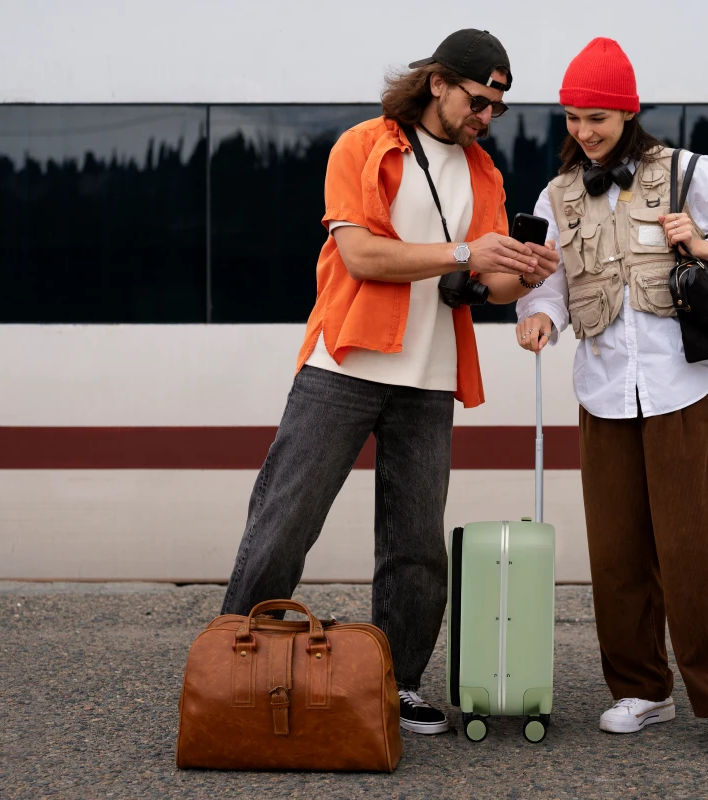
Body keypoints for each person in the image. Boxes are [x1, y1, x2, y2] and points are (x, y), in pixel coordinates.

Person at [219, 28, 559, 736]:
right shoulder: (364, 145)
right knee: (284, 523)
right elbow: (362, 254)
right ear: (438, 82)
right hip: (342, 365)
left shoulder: (485, 174)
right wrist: (467, 250)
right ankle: (230, 661)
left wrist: (519, 273)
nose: (486, 118)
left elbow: (482, 283)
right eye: (477, 100)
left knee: (415, 546)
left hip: (428, 380)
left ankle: (396, 682)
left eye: (497, 107)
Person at [514, 38, 708, 760]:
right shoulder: (556, 195)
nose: (583, 132)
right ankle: (642, 690)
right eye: (571, 118)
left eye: (596, 117)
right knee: (617, 551)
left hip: (679, 388)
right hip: (600, 393)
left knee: (691, 547)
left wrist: (704, 243)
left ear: (628, 112)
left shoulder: (689, 172)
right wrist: (539, 316)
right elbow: (549, 283)